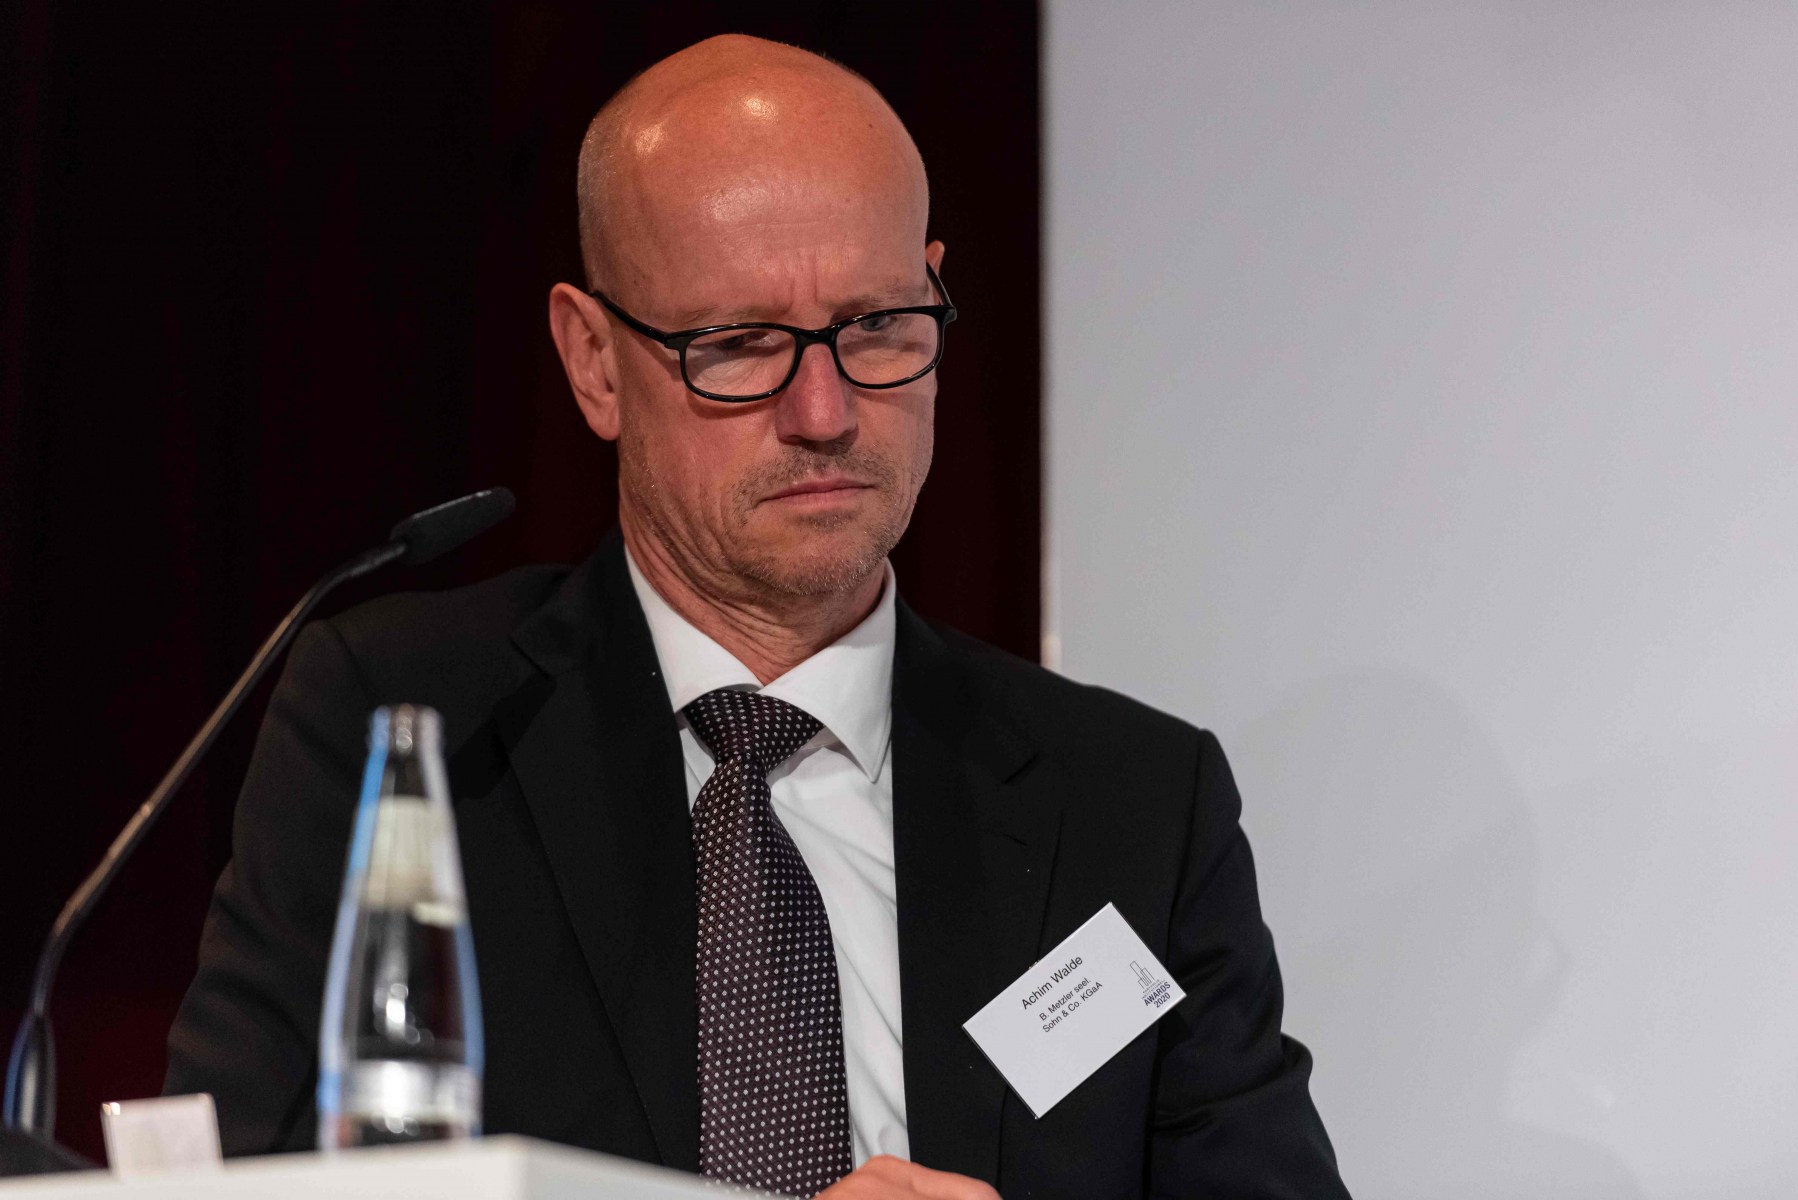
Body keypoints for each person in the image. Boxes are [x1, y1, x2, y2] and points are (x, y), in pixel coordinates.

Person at [165, 34, 1349, 1199]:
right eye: (737, 345)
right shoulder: (409, 723)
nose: (824, 412)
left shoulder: (1132, 803)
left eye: (877, 325)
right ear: (593, 360)